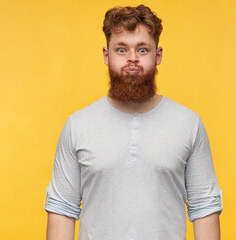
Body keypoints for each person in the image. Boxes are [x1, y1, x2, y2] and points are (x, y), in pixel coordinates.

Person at [44, 4, 223, 240]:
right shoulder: (77, 126)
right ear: (106, 56)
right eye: (121, 49)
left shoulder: (189, 124)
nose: (132, 59)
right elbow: (61, 210)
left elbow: (205, 208)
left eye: (142, 50)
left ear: (157, 55)